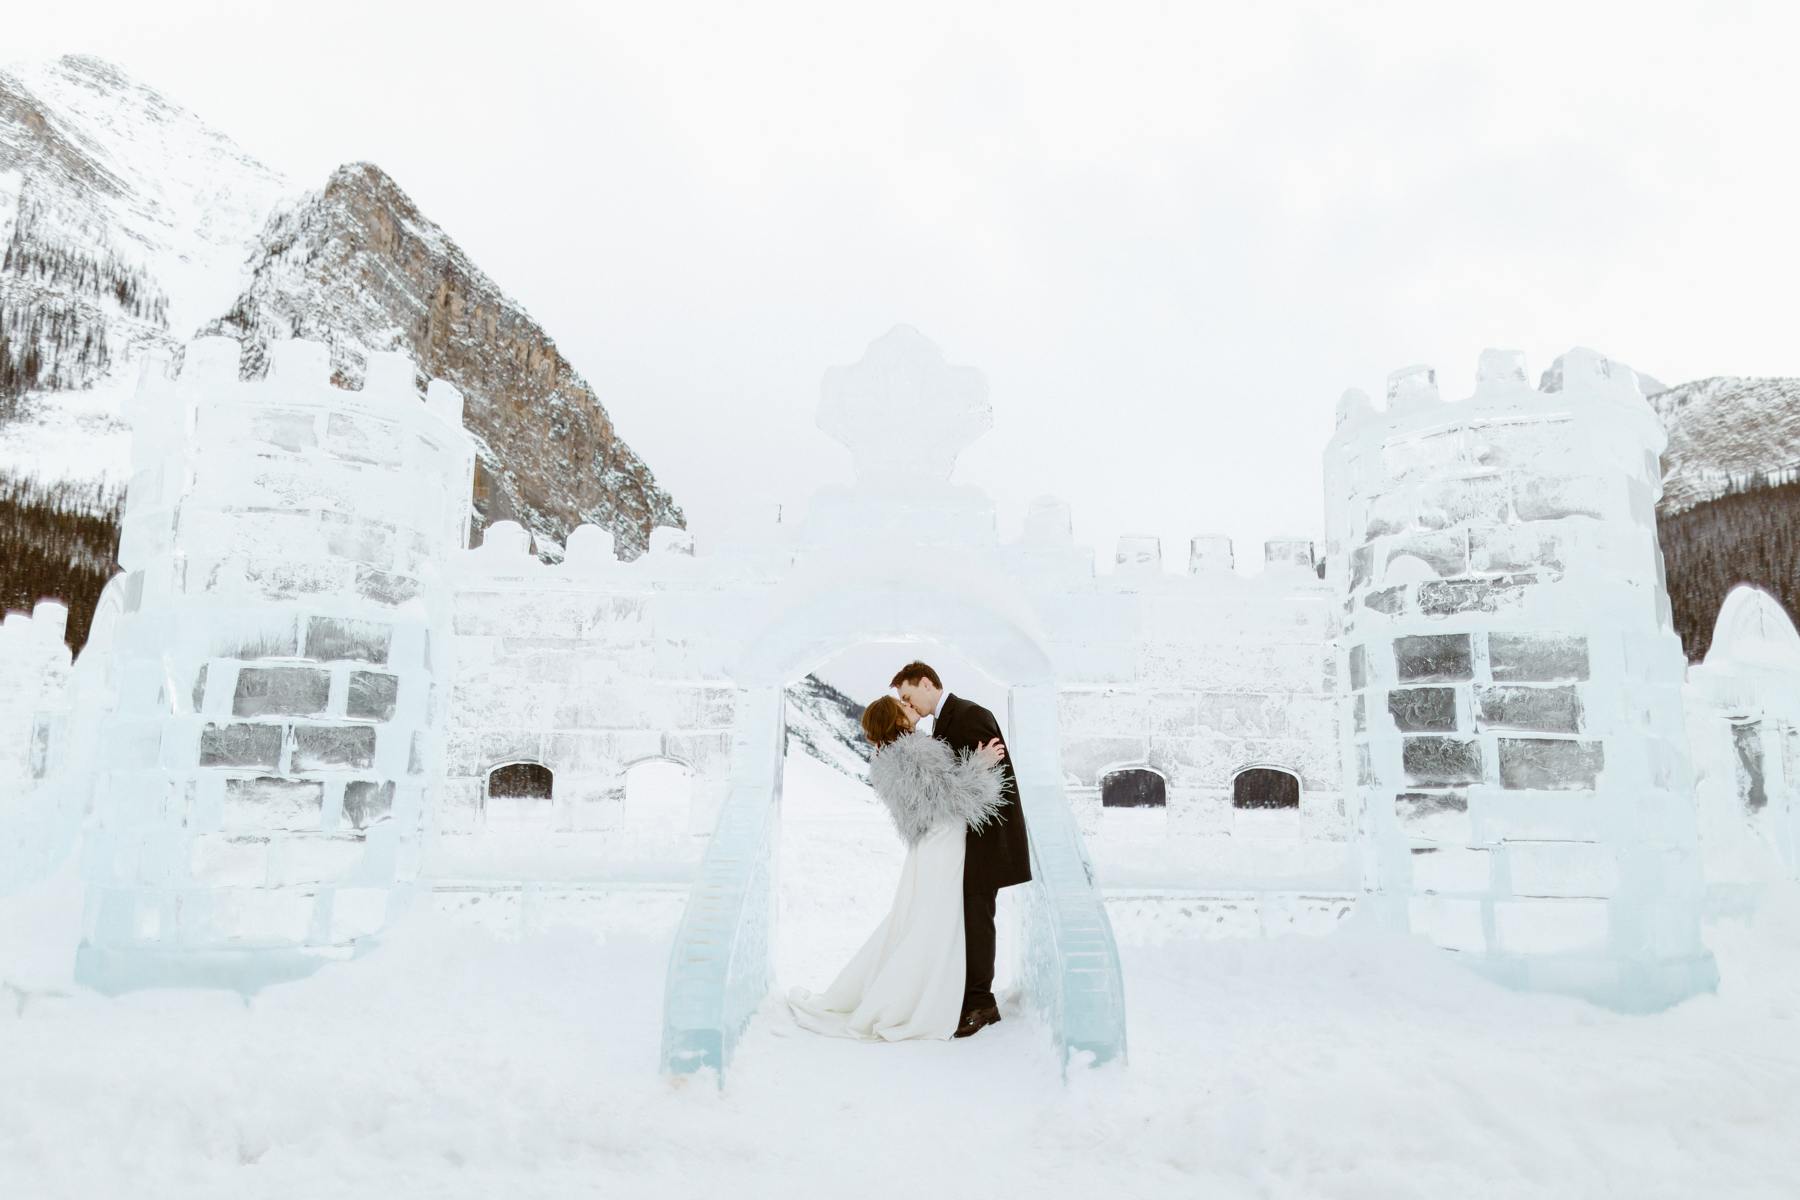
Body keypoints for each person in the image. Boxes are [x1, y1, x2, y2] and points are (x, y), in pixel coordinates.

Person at [787, 695, 1009, 1041]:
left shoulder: (884, 755)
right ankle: (917, 998)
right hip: (944, 840)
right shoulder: (912, 750)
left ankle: (919, 989)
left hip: (929, 844)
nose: (910, 706)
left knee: (920, 917)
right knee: (935, 920)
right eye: (902, 705)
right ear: (897, 720)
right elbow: (949, 796)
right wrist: (981, 764)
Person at [892, 661, 1032, 1039]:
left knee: (977, 921)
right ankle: (969, 998)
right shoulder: (945, 721)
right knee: (969, 921)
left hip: (985, 841)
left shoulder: (970, 715)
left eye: (907, 696)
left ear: (925, 683)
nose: (908, 704)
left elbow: (993, 784)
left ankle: (981, 1004)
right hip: (964, 842)